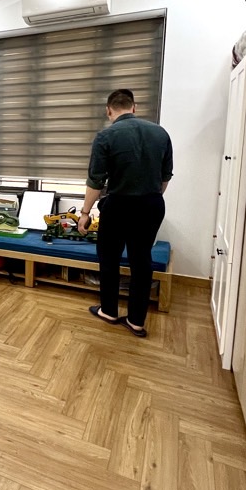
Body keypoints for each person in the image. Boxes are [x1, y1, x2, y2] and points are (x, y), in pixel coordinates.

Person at [77, 88, 173, 337]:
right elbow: (165, 177)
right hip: (152, 205)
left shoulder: (105, 136)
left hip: (118, 205)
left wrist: (85, 213)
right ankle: (136, 321)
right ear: (134, 107)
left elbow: (96, 181)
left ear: (109, 110)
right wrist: (151, 198)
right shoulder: (160, 133)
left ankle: (109, 311)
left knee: (109, 258)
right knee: (142, 261)